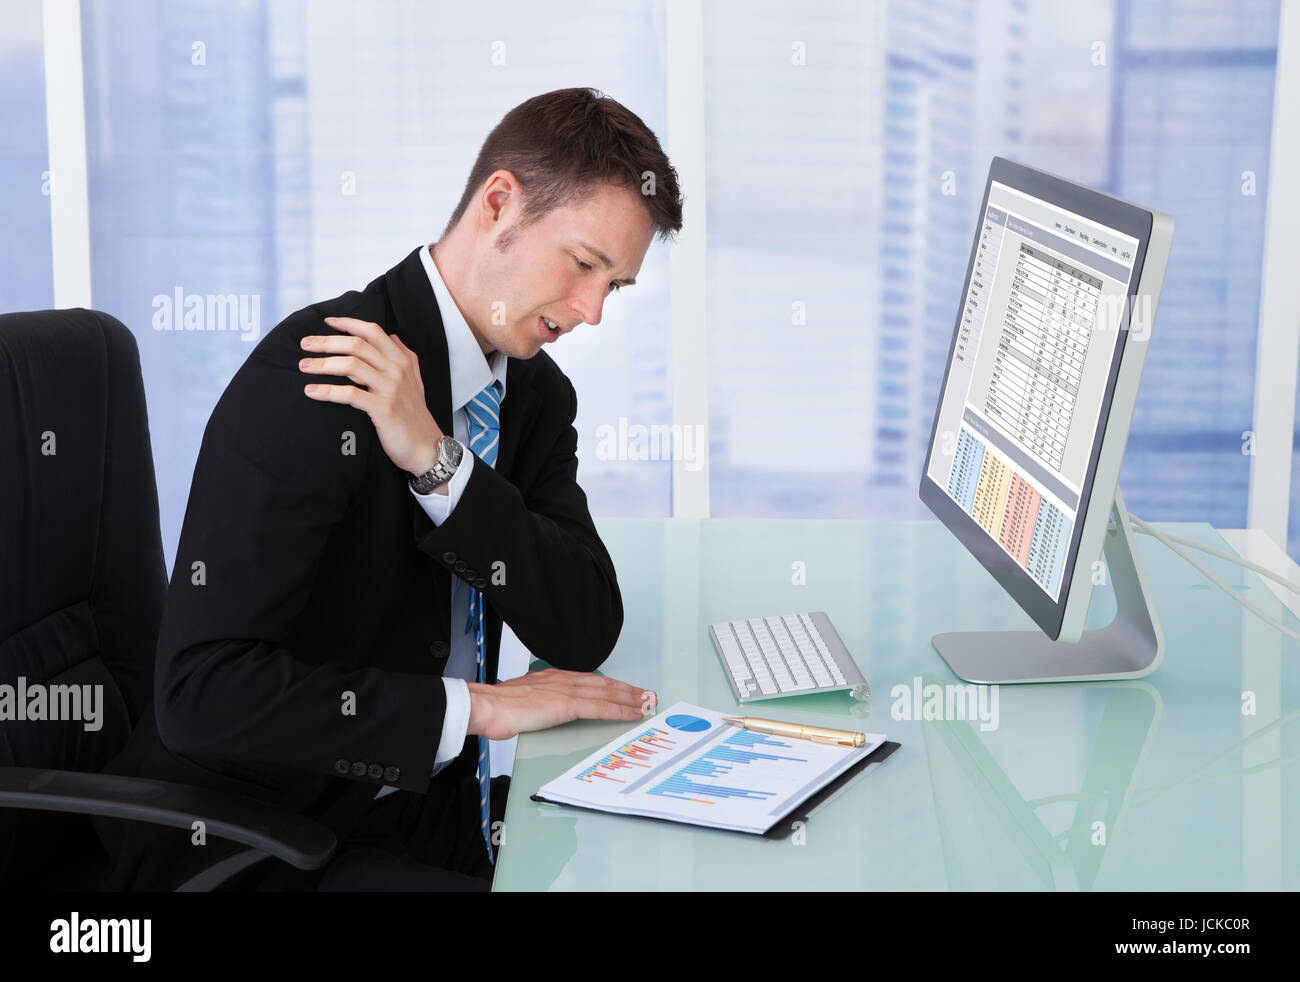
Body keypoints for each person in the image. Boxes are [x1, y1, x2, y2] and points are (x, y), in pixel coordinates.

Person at [93, 86, 684, 891]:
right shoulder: (321, 378)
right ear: (500, 204)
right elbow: (202, 694)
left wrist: (442, 466)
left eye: (614, 286)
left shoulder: (534, 397)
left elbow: (581, 625)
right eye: (584, 265)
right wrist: (478, 708)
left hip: (416, 807)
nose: (592, 312)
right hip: (253, 835)